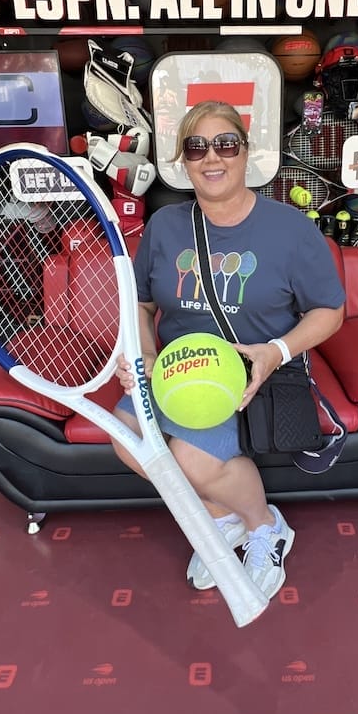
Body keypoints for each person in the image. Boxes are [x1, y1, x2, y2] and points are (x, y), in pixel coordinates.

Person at [112, 100, 345, 600]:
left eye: (225, 144)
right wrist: (144, 354)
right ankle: (223, 517)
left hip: (253, 368)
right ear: (183, 160)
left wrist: (275, 351)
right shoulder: (165, 226)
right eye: (196, 147)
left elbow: (330, 311)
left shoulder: (290, 229)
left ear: (245, 151)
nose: (211, 157)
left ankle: (265, 526)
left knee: (190, 459)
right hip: (178, 368)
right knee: (126, 435)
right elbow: (143, 305)